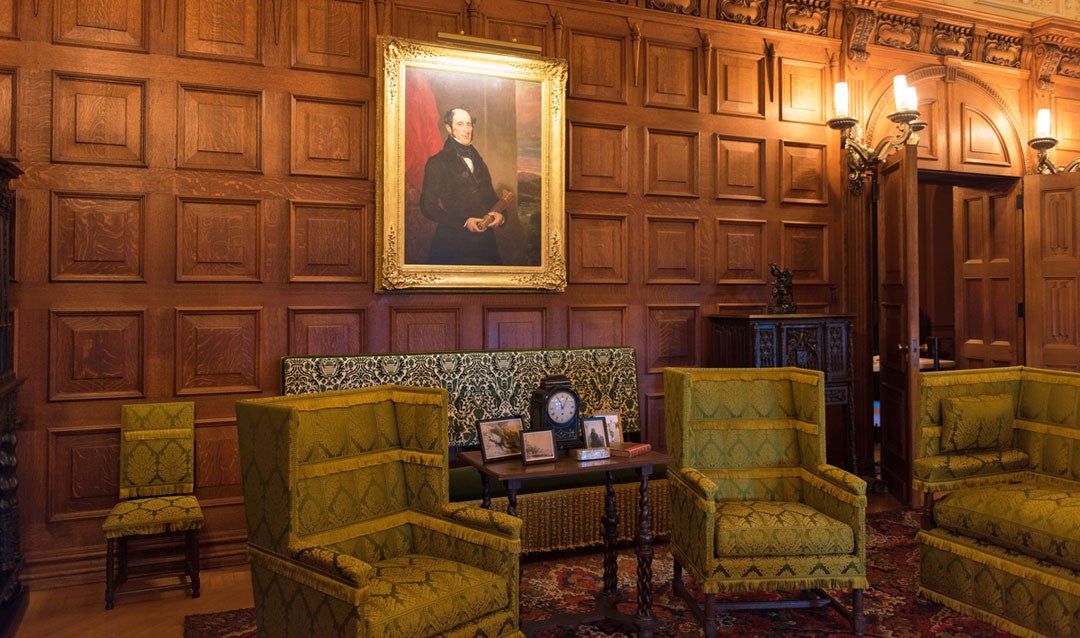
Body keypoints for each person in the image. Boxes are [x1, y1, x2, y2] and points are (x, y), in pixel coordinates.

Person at [419, 106, 509, 265]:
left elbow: (491, 198)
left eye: (469, 124)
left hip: (485, 245)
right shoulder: (437, 162)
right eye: (460, 124)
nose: (467, 129)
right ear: (448, 128)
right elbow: (428, 206)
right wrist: (465, 222)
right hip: (453, 244)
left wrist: (501, 218)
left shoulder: (479, 161)